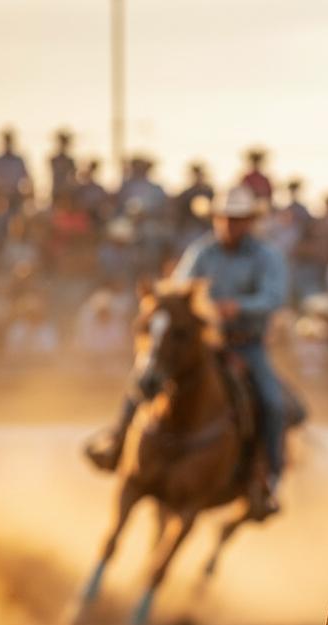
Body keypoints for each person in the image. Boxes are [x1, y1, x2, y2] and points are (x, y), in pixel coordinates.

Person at [85, 186, 290, 504]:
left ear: (249, 221)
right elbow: (178, 291)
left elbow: (273, 297)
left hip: (246, 345)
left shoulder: (266, 256)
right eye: (224, 218)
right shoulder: (202, 252)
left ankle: (268, 479)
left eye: (236, 219)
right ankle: (116, 441)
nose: (229, 225)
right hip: (204, 344)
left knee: (272, 402)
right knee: (145, 376)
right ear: (217, 219)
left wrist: (239, 307)